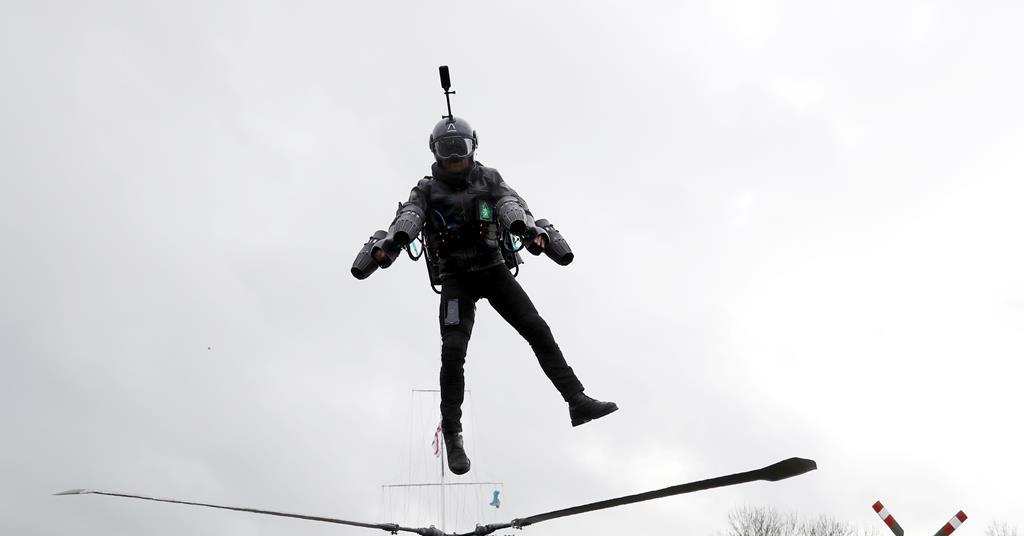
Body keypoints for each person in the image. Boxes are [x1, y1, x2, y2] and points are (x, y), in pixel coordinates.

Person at [368, 116, 617, 475]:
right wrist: (396, 240)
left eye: (461, 152)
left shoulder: (489, 178)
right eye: (447, 153)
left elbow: (509, 202)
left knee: (537, 329)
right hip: (456, 277)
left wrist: (526, 228)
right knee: (453, 353)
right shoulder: (425, 189)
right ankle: (452, 434)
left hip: (492, 268)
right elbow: (412, 213)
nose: (455, 160)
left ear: (473, 148)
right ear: (436, 154)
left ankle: (576, 400)